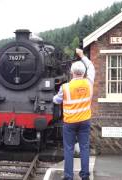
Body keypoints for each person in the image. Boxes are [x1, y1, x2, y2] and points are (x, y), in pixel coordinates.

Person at [53, 48, 95, 180]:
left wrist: (56, 98)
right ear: (83, 72)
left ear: (71, 72)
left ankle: (68, 176)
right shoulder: (89, 83)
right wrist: (82, 56)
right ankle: (85, 175)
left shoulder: (65, 87)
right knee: (84, 148)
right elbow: (91, 67)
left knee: (69, 149)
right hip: (85, 121)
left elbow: (56, 100)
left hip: (70, 123)